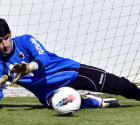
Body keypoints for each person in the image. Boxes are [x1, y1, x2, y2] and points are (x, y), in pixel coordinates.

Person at [0, 18, 139, 110]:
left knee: (120, 85)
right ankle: (97, 102)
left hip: (71, 72)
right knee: (65, 105)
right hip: (49, 93)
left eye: (6, 38)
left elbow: (44, 57)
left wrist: (30, 67)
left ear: (10, 33)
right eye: (0, 41)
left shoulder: (25, 41)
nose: (5, 44)